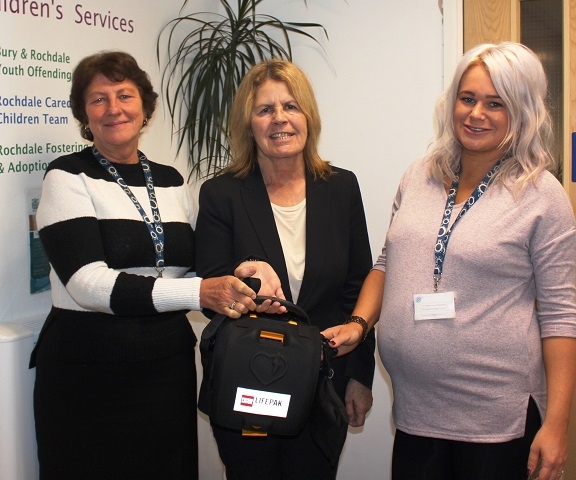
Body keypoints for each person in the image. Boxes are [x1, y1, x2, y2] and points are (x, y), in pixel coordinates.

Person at [322, 42, 576, 480]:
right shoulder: (419, 175)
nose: (476, 113)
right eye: (468, 98)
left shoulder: (542, 195)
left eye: (495, 103)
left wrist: (557, 423)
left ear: (522, 111)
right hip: (416, 411)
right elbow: (387, 264)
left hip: (496, 422)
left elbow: (560, 316)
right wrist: (360, 324)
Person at [30, 50, 285, 480]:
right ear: (83, 113)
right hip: (87, 371)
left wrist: (238, 284)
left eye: (125, 95)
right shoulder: (66, 176)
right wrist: (199, 291)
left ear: (145, 108)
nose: (114, 109)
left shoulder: (172, 180)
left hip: (165, 369)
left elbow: (192, 271)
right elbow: (88, 285)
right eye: (98, 99)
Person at [194, 58, 376, 479]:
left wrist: (359, 376)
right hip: (249, 380)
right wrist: (248, 270)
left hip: (324, 382)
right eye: (265, 109)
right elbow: (210, 293)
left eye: (291, 106)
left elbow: (359, 287)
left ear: (308, 116)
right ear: (249, 124)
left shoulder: (341, 187)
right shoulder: (222, 194)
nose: (280, 119)